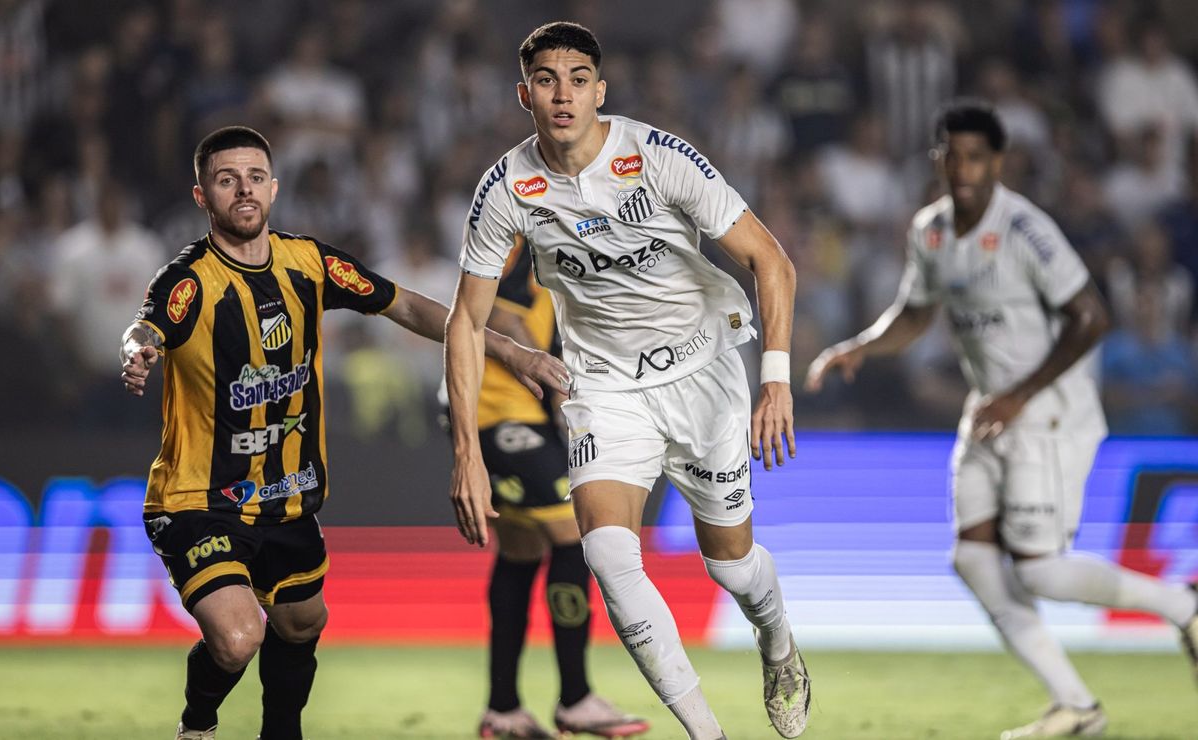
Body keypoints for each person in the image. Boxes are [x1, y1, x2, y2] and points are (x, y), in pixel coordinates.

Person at [119, 125, 565, 740]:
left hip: (288, 498)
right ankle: (197, 725)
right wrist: (139, 351)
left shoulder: (310, 263)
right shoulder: (189, 282)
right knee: (241, 635)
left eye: (253, 177)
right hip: (200, 500)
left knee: (301, 624)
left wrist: (508, 352)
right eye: (226, 180)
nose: (243, 190)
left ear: (273, 188)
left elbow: (407, 305)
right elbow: (146, 328)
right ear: (203, 197)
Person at [445, 22, 810, 740]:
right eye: (547, 80)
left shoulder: (658, 157)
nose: (563, 94)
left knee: (732, 568)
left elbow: (772, 261)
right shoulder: (506, 187)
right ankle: (707, 733)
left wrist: (777, 380)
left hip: (704, 372)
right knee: (608, 556)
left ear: (600, 91)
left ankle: (779, 643)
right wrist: (466, 453)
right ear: (525, 94)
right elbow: (465, 322)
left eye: (579, 79)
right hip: (604, 388)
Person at [805, 100, 1198, 740]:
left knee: (1039, 569)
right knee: (973, 560)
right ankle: (1075, 706)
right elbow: (914, 313)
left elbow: (1091, 317)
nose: (962, 168)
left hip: (1047, 411)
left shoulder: (1025, 229)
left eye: (976, 157)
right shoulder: (930, 230)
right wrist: (859, 347)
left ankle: (1183, 606)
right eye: (952, 155)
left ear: (998, 163)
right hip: (989, 410)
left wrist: (1022, 394)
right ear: (938, 159)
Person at [455, 238, 649, 738]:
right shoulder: (524, 235)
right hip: (501, 411)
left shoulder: (565, 246)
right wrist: (553, 381)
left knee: (520, 551)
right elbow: (492, 309)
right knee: (571, 533)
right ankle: (576, 699)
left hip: (519, 413)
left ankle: (502, 709)